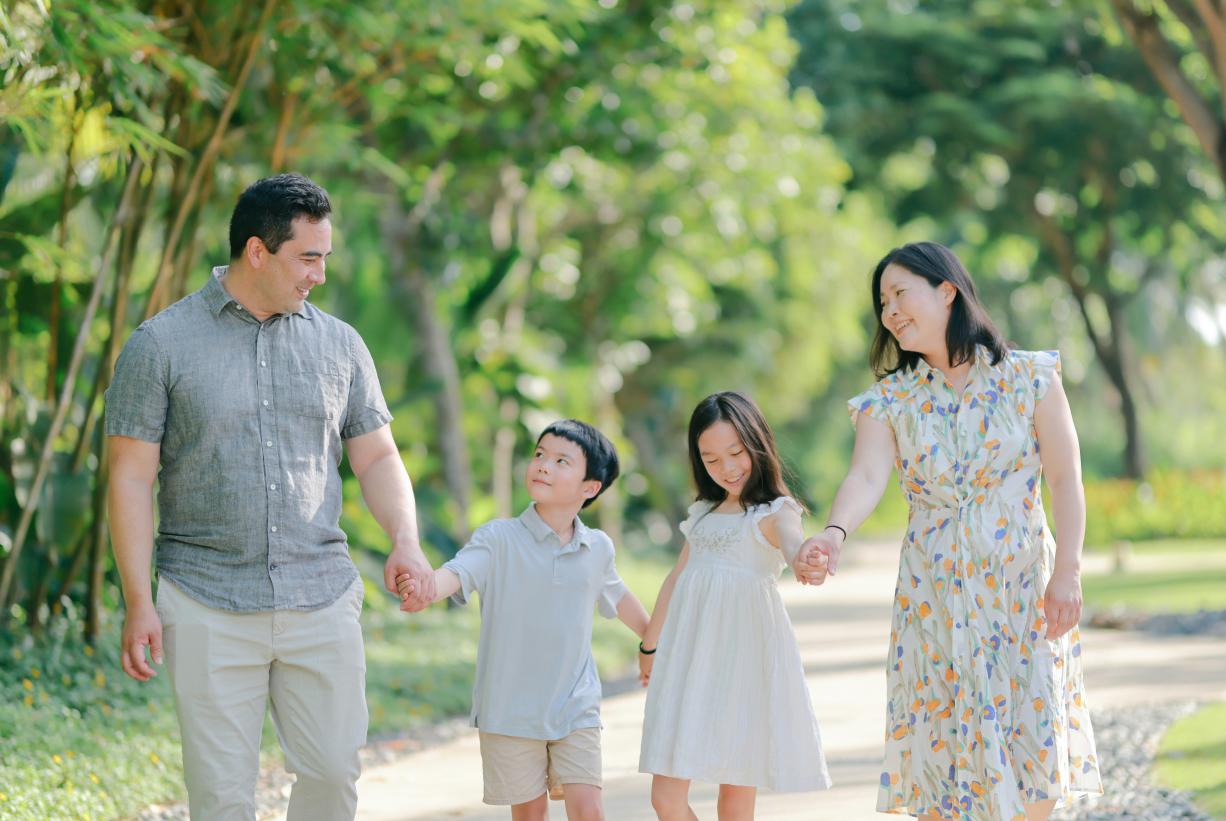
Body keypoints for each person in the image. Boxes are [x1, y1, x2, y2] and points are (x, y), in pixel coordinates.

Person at [105, 173, 435, 821]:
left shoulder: (340, 345)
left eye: (324, 258)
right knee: (223, 798)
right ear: (258, 250)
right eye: (307, 258)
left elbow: (375, 454)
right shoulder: (160, 345)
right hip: (206, 599)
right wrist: (138, 599)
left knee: (334, 774)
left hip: (322, 594)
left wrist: (406, 538)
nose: (319, 273)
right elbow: (129, 476)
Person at [797, 242, 1103, 820]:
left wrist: (1069, 573)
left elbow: (1065, 478)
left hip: (1020, 595)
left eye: (899, 293)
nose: (889, 311)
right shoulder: (889, 400)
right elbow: (865, 476)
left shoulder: (1032, 378)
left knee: (1028, 739)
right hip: (933, 599)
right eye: (882, 302)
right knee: (939, 744)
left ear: (947, 290)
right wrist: (833, 533)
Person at [396, 419, 650, 821]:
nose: (544, 465)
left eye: (562, 460)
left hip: (575, 704)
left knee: (590, 810)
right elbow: (457, 573)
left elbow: (620, 598)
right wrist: (426, 587)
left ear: (590, 488)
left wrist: (656, 643)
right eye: (539, 455)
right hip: (510, 710)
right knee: (530, 815)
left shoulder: (597, 546)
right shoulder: (498, 538)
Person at [637, 391, 831, 820]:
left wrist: (807, 559)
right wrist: (650, 645)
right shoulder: (704, 511)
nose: (726, 468)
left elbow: (794, 544)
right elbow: (676, 579)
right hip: (687, 663)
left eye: (736, 453)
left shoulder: (776, 511)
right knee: (665, 797)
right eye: (710, 459)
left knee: (735, 803)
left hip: (742, 665)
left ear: (757, 444)